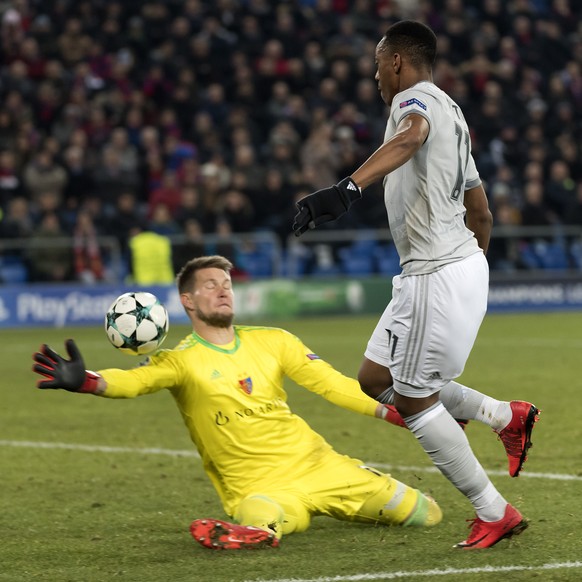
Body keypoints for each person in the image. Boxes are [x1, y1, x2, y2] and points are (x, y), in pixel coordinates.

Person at [292, 20, 540, 550]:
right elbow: (481, 210)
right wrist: (472, 268)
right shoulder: (456, 113)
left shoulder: (415, 104)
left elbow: (411, 137)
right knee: (375, 376)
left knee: (413, 399)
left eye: (379, 63)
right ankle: (504, 415)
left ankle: (493, 511)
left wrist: (347, 189)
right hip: (447, 267)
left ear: (398, 62)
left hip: (437, 270)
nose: (375, 74)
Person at [32, 255, 443, 551]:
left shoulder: (274, 340)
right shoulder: (179, 361)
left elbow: (333, 385)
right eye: (210, 284)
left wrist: (396, 411)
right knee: (265, 517)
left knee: (426, 514)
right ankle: (256, 532)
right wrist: (87, 382)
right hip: (259, 486)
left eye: (226, 282)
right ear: (188, 301)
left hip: (323, 466)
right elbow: (134, 381)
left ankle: (327, 510)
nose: (223, 288)